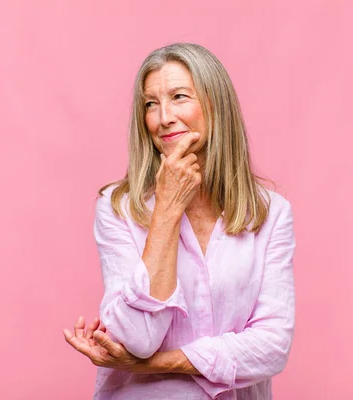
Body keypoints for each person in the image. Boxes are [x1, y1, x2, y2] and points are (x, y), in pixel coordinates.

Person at [63, 43, 296, 400]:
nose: (163, 117)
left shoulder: (270, 213)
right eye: (151, 104)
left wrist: (151, 366)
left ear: (216, 106)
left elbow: (272, 346)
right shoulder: (117, 207)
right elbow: (138, 338)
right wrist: (167, 209)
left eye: (179, 97)